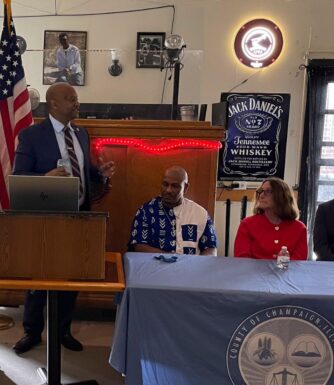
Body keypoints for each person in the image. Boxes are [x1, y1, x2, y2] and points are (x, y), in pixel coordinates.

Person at [11, 82, 116, 355]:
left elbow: (85, 170)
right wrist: (45, 178)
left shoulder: (81, 134)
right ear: (54, 104)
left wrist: (100, 173)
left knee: (72, 276)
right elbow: (18, 176)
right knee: (38, 277)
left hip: (78, 215)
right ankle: (32, 332)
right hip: (44, 218)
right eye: (71, 99)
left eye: (76, 98)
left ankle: (63, 330)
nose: (77, 103)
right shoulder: (32, 135)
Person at [129, 166, 217, 256]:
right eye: (165, 184)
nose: (168, 190)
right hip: (156, 267)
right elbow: (139, 246)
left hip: (191, 268)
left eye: (175, 186)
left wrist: (199, 266)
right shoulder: (146, 211)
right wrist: (171, 259)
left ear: (185, 187)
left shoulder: (200, 213)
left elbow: (211, 248)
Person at [234, 177, 308, 260]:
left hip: (288, 272)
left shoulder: (299, 228)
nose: (261, 195)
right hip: (254, 272)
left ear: (281, 196)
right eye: (260, 191)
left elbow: (299, 261)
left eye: (268, 192)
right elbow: (242, 259)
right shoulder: (247, 224)